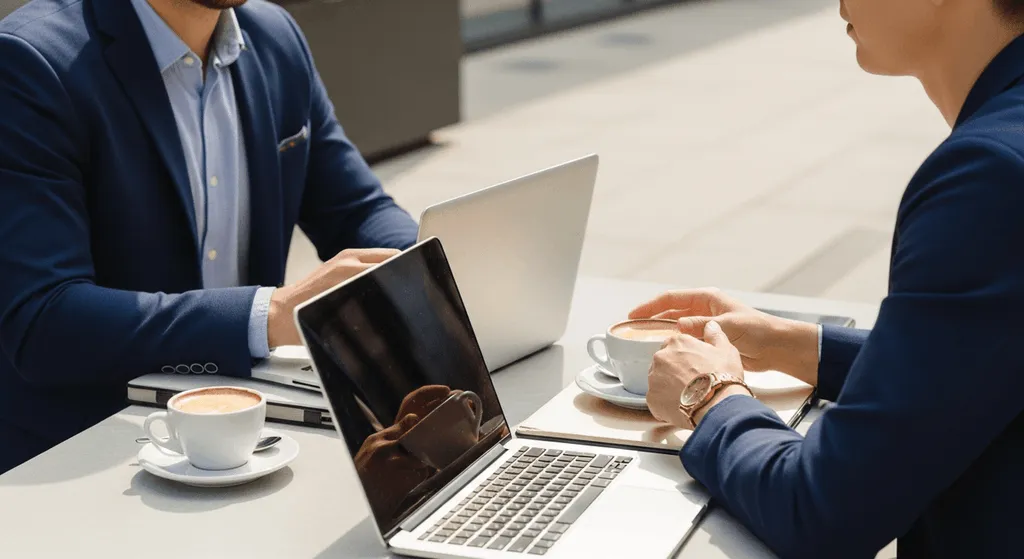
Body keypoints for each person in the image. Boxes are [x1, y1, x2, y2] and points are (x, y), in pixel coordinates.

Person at [631, 1, 1024, 557]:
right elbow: (985, 352)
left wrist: (709, 397)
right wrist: (795, 344)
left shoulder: (989, 176)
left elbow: (822, 511)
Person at [0, 0, 419, 473]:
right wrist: (269, 315)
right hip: (92, 451)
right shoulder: (30, 61)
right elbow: (43, 320)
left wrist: (431, 268)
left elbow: (356, 210)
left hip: (249, 435)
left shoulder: (275, 36)